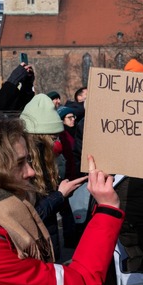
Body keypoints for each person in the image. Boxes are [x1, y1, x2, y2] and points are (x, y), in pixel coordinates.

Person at [0, 113, 124, 285]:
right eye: (20, 163)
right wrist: (108, 210)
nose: (30, 172)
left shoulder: (3, 219)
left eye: (29, 160)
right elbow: (80, 284)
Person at [20, 94, 87, 261]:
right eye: (52, 137)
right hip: (36, 249)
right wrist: (60, 195)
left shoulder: (44, 154)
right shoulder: (25, 164)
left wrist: (63, 191)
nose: (56, 142)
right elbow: (32, 215)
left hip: (49, 242)